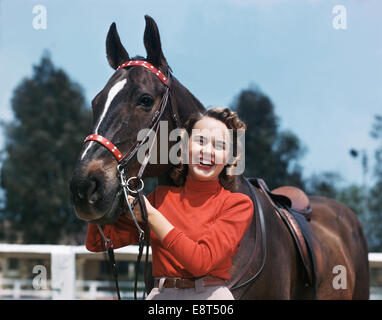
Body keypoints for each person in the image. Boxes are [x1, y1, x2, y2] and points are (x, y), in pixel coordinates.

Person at [86, 107, 254, 300]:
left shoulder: (237, 205)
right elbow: (98, 242)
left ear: (228, 158)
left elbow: (201, 262)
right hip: (160, 295)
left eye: (220, 146)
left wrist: (152, 216)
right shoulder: (160, 197)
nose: (208, 151)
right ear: (183, 148)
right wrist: (99, 190)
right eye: (200, 141)